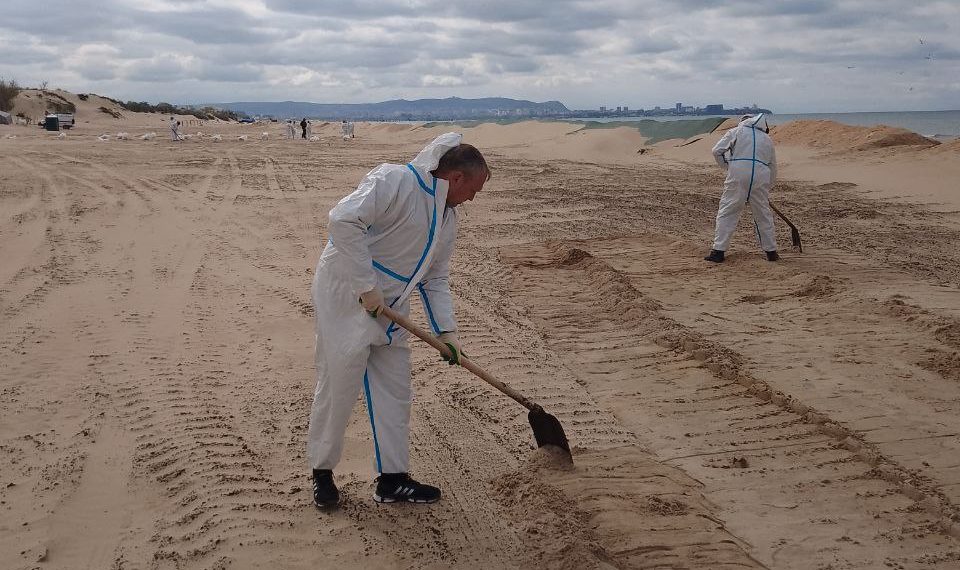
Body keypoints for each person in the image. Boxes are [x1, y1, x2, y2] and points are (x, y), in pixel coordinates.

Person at [307, 132, 490, 508]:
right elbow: (342, 220)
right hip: (347, 294)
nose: (473, 198)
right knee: (339, 383)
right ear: (456, 177)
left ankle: (392, 479)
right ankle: (322, 474)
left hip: (392, 307)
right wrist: (364, 286)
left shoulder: (447, 220)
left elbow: (435, 278)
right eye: (474, 189)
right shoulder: (395, 180)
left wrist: (448, 333)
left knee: (395, 390)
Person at [705, 113, 779, 263]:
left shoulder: (736, 131)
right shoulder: (767, 139)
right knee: (763, 215)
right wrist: (766, 188)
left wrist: (728, 166)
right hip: (761, 176)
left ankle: (718, 251)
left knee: (728, 212)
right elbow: (773, 167)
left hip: (738, 174)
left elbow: (716, 151)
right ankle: (771, 252)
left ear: (742, 122)